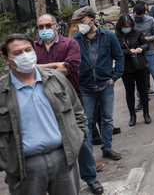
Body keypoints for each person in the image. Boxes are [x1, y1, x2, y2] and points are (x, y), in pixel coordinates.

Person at [0, 34, 86, 195]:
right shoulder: (2, 91)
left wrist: (78, 139)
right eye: (18, 53)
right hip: (25, 167)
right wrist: (8, 163)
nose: (25, 56)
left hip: (63, 158)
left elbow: (78, 111)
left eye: (28, 50)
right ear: (6, 59)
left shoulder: (56, 79)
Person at [34, 14, 104, 195]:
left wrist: (39, 68)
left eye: (47, 25)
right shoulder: (33, 48)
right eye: (40, 27)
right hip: (43, 103)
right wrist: (55, 66)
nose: (44, 30)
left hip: (69, 101)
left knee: (80, 139)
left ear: (56, 26)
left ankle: (91, 178)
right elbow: (27, 70)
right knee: (53, 145)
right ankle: (61, 184)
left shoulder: (69, 44)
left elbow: (68, 68)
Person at [72, 6, 124, 161]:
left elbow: (119, 56)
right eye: (78, 22)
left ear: (92, 19)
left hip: (105, 85)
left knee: (107, 119)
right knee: (87, 121)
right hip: (86, 87)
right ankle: (89, 157)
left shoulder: (108, 36)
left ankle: (107, 148)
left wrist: (114, 77)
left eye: (83, 21)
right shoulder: (76, 40)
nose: (80, 25)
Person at [116, 15, 152, 126]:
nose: (127, 28)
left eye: (129, 26)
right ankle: (132, 115)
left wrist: (141, 48)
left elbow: (146, 44)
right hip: (126, 68)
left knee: (143, 91)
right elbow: (116, 51)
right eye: (125, 26)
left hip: (140, 66)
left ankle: (146, 113)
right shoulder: (117, 36)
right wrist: (128, 52)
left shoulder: (137, 33)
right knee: (129, 92)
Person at [133, 2, 154, 109]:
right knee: (139, 79)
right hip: (138, 53)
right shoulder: (131, 21)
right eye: (136, 15)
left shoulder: (150, 20)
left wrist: (147, 39)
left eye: (141, 15)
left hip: (150, 52)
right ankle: (141, 101)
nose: (138, 18)